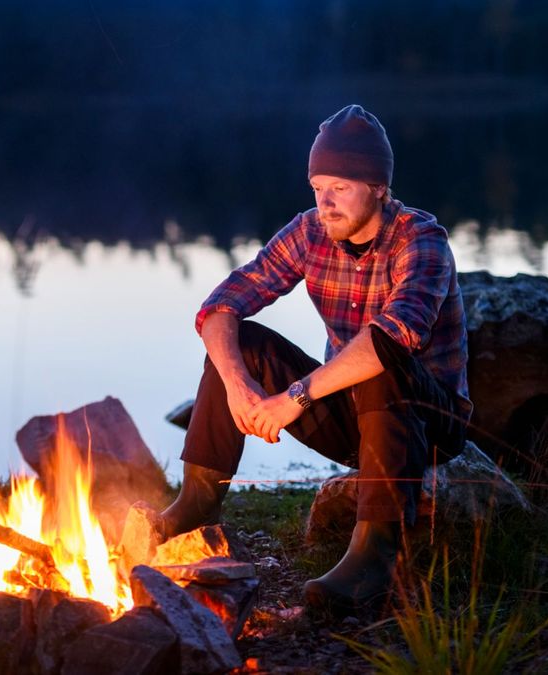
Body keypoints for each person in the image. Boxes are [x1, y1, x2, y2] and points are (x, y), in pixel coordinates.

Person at [158, 104, 471, 613]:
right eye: (317, 187)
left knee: (378, 359)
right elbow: (221, 307)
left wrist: (293, 398)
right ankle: (196, 503)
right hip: (351, 417)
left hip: (427, 423)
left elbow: (394, 338)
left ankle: (373, 557)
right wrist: (238, 383)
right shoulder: (310, 232)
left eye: (340, 187)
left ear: (378, 188)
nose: (325, 202)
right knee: (245, 340)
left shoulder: (422, 240)